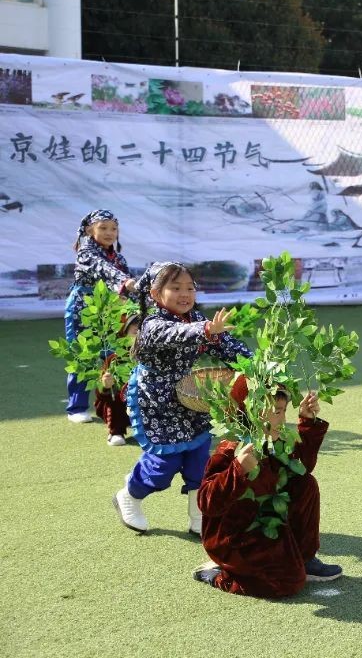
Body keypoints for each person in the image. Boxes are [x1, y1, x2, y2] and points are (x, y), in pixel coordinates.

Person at [112, 262, 253, 534]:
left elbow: (226, 345)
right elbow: (176, 334)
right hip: (156, 399)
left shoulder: (196, 319)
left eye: (190, 287)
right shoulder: (153, 322)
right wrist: (206, 330)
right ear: (155, 294)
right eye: (175, 288)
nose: (184, 293)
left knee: (199, 458)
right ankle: (130, 494)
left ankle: (200, 518)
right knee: (164, 464)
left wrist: (256, 366)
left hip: (189, 394)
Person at [194, 378, 342, 596]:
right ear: (252, 412)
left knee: (305, 484)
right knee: (287, 582)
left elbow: (302, 467)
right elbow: (207, 502)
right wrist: (237, 470)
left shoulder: (275, 438)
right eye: (277, 411)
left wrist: (307, 422)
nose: (283, 418)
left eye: (283, 411)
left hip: (269, 521)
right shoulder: (233, 447)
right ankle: (219, 574)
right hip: (236, 536)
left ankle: (304, 557)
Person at [65, 210, 137, 423]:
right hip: (84, 307)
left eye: (113, 228)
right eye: (103, 228)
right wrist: (127, 283)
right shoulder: (86, 253)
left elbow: (124, 286)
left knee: (116, 354)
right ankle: (76, 407)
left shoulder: (119, 257)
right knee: (83, 354)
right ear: (89, 230)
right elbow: (105, 270)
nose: (109, 232)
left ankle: (117, 406)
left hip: (111, 309)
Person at [95, 314, 142, 447]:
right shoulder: (114, 359)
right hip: (122, 404)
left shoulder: (154, 356)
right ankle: (116, 431)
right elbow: (100, 394)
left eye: (141, 328)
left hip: (147, 402)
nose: (137, 329)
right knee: (114, 396)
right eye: (133, 327)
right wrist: (105, 385)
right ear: (124, 332)